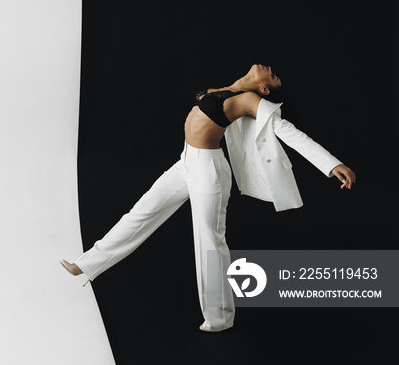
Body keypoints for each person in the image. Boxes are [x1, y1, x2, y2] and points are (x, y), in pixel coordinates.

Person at [61, 64, 355, 332]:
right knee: (141, 213)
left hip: (208, 170)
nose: (270, 69)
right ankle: (86, 265)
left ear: (264, 89)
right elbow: (210, 95)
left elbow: (287, 131)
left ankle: (220, 318)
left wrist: (331, 164)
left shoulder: (251, 100)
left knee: (209, 243)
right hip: (186, 162)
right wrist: (240, 83)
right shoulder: (230, 90)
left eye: (273, 76)